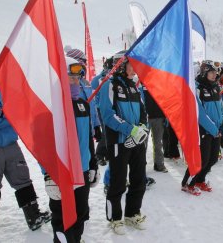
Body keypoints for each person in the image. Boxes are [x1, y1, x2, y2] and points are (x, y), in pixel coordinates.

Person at [0, 52, 51, 233]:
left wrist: (1, 114)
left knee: (22, 179)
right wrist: (6, 116)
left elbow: (17, 112)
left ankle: (33, 216)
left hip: (11, 144)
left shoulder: (2, 88)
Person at [44, 56, 99, 243]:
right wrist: (47, 175)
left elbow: (88, 140)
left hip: (81, 170)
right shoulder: (51, 107)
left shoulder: (83, 105)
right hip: (61, 172)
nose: (76, 82)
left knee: (81, 212)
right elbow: (43, 144)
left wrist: (93, 165)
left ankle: (76, 239)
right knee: (62, 218)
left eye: (78, 78)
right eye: (71, 78)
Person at [99, 51, 148, 235]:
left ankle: (132, 213)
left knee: (139, 180)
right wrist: (130, 130)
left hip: (137, 142)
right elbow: (107, 115)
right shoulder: (110, 85)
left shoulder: (135, 86)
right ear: (121, 64)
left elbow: (143, 112)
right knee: (118, 182)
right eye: (132, 64)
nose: (135, 68)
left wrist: (142, 128)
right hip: (120, 142)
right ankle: (115, 218)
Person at [181, 60, 223, 196]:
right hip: (204, 130)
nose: (214, 75)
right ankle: (187, 183)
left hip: (216, 129)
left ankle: (200, 180)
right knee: (202, 160)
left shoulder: (215, 87)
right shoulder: (198, 88)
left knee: (213, 159)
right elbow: (200, 113)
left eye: (215, 72)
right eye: (211, 72)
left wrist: (221, 123)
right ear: (204, 72)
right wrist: (213, 128)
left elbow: (221, 107)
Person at [143, 87, 168, 172]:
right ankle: (141, 165)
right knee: (143, 144)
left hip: (159, 116)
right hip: (144, 118)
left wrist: (166, 116)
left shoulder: (159, 81)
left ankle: (159, 164)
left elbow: (165, 99)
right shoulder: (139, 81)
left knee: (158, 142)